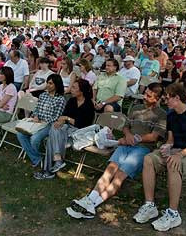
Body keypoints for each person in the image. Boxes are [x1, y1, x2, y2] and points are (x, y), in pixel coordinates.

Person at [66, 82, 166, 219]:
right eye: (145, 93)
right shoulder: (136, 108)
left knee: (119, 176)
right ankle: (90, 199)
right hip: (126, 144)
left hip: (142, 149)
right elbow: (126, 126)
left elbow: (154, 136)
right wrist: (128, 135)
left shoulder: (161, 114)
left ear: (158, 98)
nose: (144, 96)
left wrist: (135, 139)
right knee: (110, 169)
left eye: (149, 96)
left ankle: (93, 204)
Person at [132, 83, 186, 231]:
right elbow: (170, 139)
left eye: (167, 98)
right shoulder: (170, 116)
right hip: (175, 151)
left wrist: (179, 154)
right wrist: (167, 146)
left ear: (177, 98)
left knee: (173, 162)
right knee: (149, 158)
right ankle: (150, 205)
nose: (165, 101)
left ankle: (173, 213)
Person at [34, 79, 95, 179]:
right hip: (67, 128)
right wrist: (62, 120)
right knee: (55, 126)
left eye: (74, 88)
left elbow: (82, 124)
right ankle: (56, 162)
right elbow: (63, 116)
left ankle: (48, 170)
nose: (71, 89)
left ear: (81, 91)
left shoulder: (89, 105)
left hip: (78, 133)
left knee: (51, 139)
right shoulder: (72, 100)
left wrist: (66, 119)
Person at [16, 74, 67, 167]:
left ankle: (36, 158)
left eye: (50, 83)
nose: (48, 85)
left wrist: (44, 121)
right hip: (37, 122)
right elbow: (37, 108)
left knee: (34, 139)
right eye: (47, 82)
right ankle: (37, 158)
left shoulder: (61, 99)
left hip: (49, 125)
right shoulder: (43, 95)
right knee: (20, 134)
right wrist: (35, 116)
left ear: (57, 85)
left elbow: (57, 116)